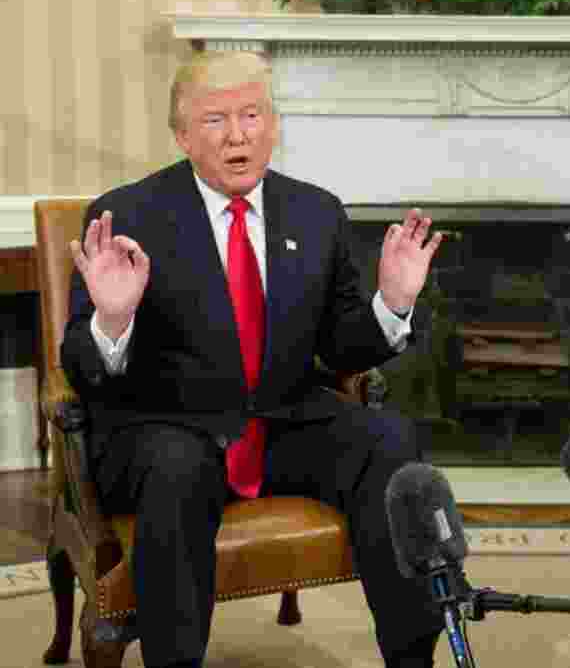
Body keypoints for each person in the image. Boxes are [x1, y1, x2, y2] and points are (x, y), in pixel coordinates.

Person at [61, 50, 445, 668]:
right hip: (169, 426)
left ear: (274, 125)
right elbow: (80, 364)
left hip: (284, 420)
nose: (238, 135)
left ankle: (412, 656)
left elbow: (342, 347)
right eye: (215, 120)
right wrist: (113, 318)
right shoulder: (127, 214)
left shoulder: (316, 212)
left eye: (252, 115)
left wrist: (391, 303)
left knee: (390, 440)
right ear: (182, 135)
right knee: (176, 468)